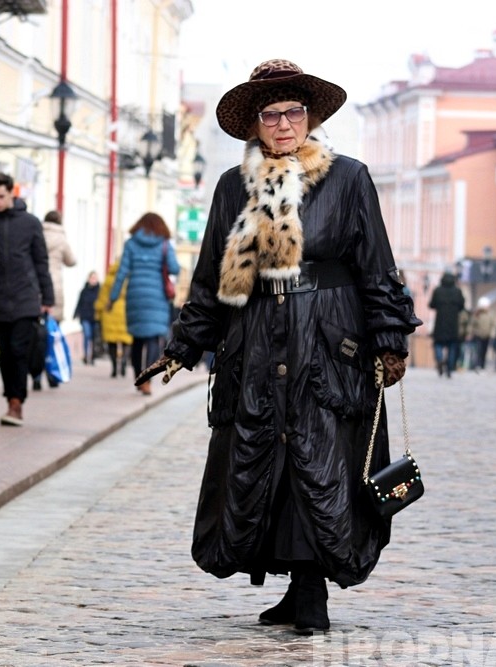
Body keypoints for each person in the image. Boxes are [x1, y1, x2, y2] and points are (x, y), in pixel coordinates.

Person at [132, 59, 421, 634]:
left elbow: (376, 265)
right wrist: (184, 346)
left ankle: (312, 592)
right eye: (271, 114)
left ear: (310, 117)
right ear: (255, 124)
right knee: (271, 461)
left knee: (322, 458)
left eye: (294, 112)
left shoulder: (349, 178)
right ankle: (294, 588)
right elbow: (212, 276)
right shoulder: (231, 186)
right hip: (257, 339)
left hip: (329, 340)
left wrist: (389, 339)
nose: (284, 123)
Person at [0, 173, 54, 426]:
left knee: (18, 351)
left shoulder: (30, 223)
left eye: (1, 196)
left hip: (26, 297)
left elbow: (41, 261)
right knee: (5, 354)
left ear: (11, 193)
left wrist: (47, 297)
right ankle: (11, 399)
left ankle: (16, 403)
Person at [108, 212, 180, 396]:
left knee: (137, 340)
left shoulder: (131, 243)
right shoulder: (164, 244)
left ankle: (139, 378)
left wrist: (113, 298)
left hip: (135, 296)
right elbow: (174, 268)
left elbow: (122, 273)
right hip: (157, 297)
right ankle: (147, 380)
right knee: (154, 339)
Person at [32, 210, 77, 390]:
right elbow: (72, 261)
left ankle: (35, 375)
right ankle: (52, 374)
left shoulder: (37, 234)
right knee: (53, 335)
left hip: (36, 287)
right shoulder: (61, 239)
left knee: (37, 335)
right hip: (55, 289)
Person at [95, 261, 132, 378]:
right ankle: (124, 362)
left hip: (109, 312)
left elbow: (102, 298)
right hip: (126, 312)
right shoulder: (129, 280)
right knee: (126, 341)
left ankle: (115, 367)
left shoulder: (108, 280)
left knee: (112, 342)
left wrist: (98, 313)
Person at [428, 272, 465, 378]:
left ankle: (439, 359)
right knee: (452, 346)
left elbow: (432, 304)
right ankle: (449, 367)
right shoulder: (457, 291)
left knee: (438, 343)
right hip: (453, 323)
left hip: (440, 322)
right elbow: (462, 306)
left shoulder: (438, 290)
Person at [73, 271, 101, 365]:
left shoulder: (100, 291)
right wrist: (75, 314)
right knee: (87, 335)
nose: (93, 280)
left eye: (94, 278)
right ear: (88, 279)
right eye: (91, 278)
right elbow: (79, 303)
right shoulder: (84, 291)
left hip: (95, 318)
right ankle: (86, 355)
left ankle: (92, 356)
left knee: (94, 337)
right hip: (85, 316)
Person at [468, 297, 496, 371]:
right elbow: (472, 324)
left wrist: (492, 334)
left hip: (487, 336)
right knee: (479, 350)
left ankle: (482, 365)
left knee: (484, 351)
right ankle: (478, 364)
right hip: (478, 335)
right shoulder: (477, 314)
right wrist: (469, 333)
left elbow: (493, 325)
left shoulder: (490, 314)